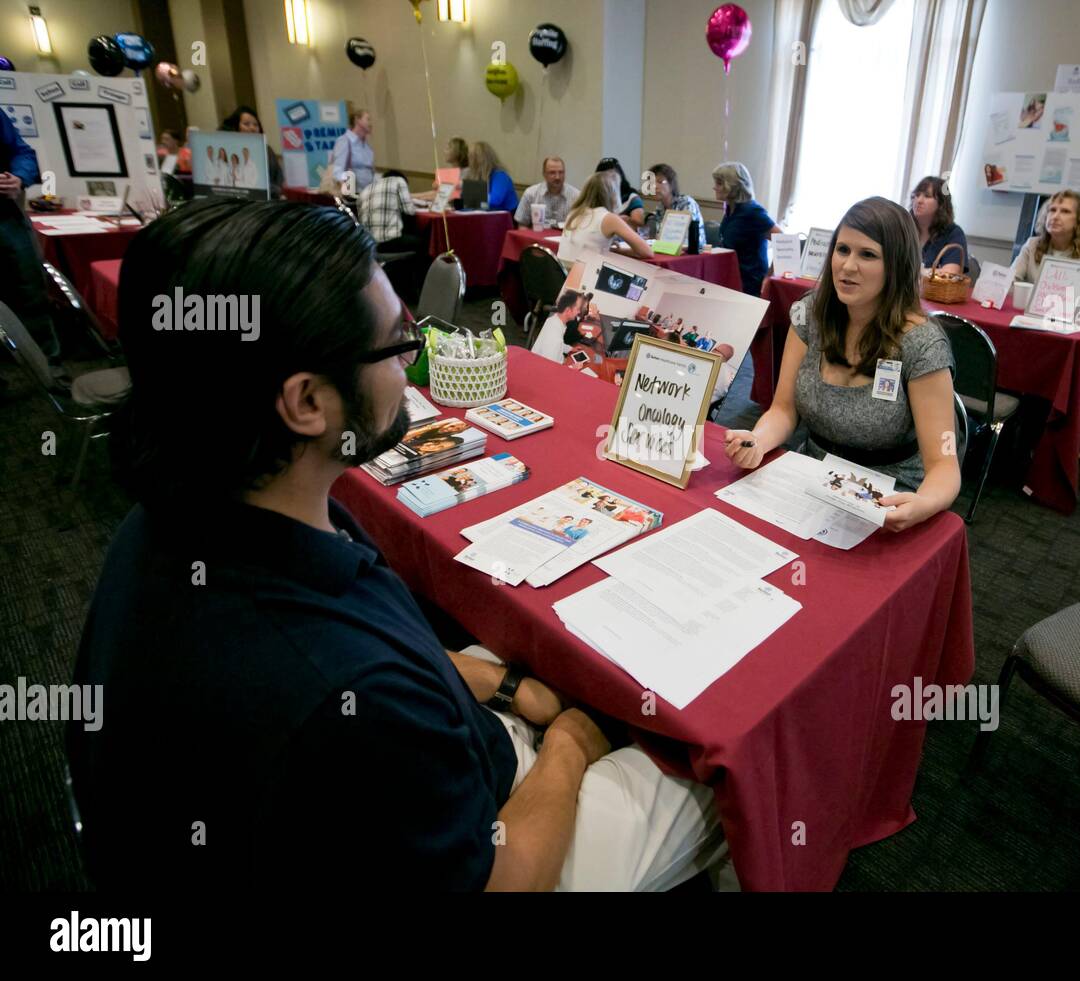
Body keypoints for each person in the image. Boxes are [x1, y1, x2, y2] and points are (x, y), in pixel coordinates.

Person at [70, 198, 725, 891]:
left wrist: (502, 684)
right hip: (485, 838)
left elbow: (378, 646)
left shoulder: (171, 521)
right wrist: (568, 745)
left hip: (399, 783)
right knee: (713, 767)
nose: (411, 359)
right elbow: (499, 877)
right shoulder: (344, 694)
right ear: (306, 404)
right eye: (396, 342)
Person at [723, 197, 961, 528]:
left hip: (889, 493)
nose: (848, 266)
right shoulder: (810, 316)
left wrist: (923, 503)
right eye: (843, 249)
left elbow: (945, 466)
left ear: (897, 265)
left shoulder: (922, 345)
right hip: (811, 476)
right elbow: (783, 410)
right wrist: (758, 441)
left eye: (868, 255)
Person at [0, 107, 68, 391]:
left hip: (6, 218)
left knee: (30, 292)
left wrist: (19, 177)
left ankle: (50, 368)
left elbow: (23, 151)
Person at [1008, 189, 1080, 295]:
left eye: (1065, 211)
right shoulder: (1032, 245)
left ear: (1079, 220)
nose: (1055, 217)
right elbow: (1010, 281)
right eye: (1052, 210)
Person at [713, 161, 782, 296]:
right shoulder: (730, 209)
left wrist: (769, 276)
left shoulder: (752, 211)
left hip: (749, 284)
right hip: (732, 280)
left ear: (732, 186)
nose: (714, 187)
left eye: (719, 183)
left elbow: (783, 240)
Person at [556, 171, 653, 264]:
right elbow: (647, 252)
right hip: (588, 277)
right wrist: (618, 251)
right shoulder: (608, 218)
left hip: (564, 276)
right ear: (612, 195)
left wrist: (609, 249)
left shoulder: (574, 214)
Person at [909, 176, 967, 275]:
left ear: (941, 203)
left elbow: (950, 273)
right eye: (917, 195)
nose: (919, 201)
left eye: (927, 196)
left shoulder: (953, 233)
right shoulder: (904, 227)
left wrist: (917, 273)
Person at [220, 105, 282, 197]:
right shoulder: (226, 150)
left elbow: (279, 179)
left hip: (268, 199)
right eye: (246, 124)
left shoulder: (267, 150)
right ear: (235, 126)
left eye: (255, 125)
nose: (252, 128)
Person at [358, 169, 420, 252]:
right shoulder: (399, 181)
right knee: (424, 243)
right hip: (389, 241)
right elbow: (410, 211)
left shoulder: (366, 189)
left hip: (368, 244)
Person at [514, 156, 579, 228]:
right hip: (536, 238)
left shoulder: (576, 196)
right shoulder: (531, 193)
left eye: (561, 172)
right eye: (552, 173)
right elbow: (522, 224)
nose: (557, 177)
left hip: (564, 238)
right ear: (544, 174)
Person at [647, 163, 703, 237]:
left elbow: (685, 237)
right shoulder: (660, 208)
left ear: (671, 184)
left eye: (660, 182)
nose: (654, 186)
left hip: (693, 247)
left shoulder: (686, 203)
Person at [330, 107, 375, 193]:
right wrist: (348, 186)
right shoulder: (345, 141)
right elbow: (337, 171)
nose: (371, 123)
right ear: (357, 120)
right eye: (368, 119)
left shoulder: (367, 146)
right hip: (351, 195)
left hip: (367, 194)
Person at [465, 141, 518, 213]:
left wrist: (472, 200)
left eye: (471, 157)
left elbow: (495, 200)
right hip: (487, 215)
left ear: (479, 160)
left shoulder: (500, 176)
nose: (468, 161)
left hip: (507, 218)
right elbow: (468, 202)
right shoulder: (474, 175)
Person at [594, 157, 646, 229]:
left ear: (620, 175)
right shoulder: (594, 197)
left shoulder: (631, 197)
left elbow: (638, 223)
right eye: (605, 176)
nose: (610, 180)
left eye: (613, 175)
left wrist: (624, 220)